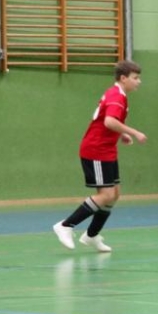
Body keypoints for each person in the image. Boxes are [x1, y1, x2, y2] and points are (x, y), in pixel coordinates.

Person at [52, 60, 147, 252]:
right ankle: (65, 225)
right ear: (123, 78)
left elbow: (107, 120)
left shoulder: (117, 94)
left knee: (114, 194)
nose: (139, 81)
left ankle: (91, 235)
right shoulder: (116, 96)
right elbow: (109, 121)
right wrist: (134, 132)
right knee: (106, 195)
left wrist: (122, 134)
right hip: (96, 150)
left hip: (107, 150)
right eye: (135, 78)